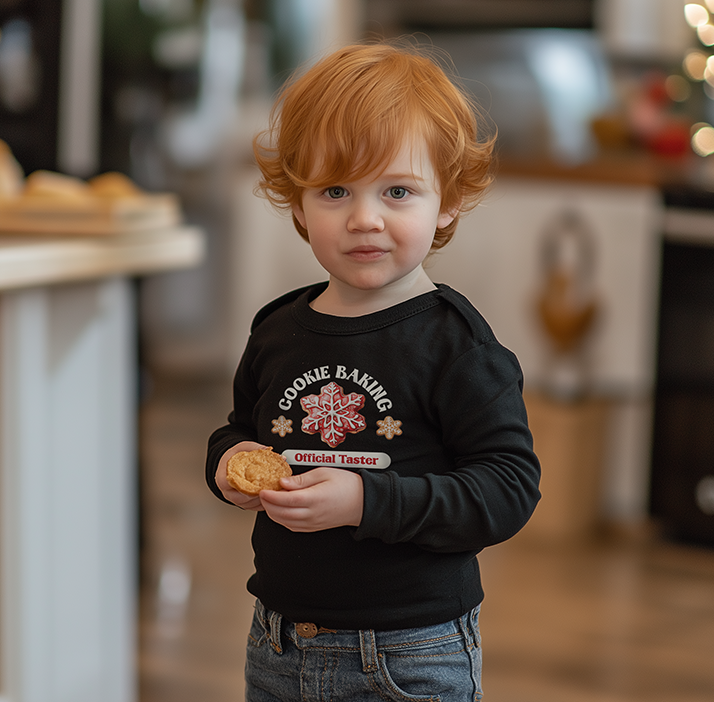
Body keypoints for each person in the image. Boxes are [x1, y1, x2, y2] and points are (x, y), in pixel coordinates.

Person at [206, 41, 541, 701]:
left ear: (446, 202)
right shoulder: (276, 330)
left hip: (408, 652)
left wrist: (365, 502)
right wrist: (227, 463)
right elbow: (242, 429)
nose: (365, 218)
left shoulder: (455, 344)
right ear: (298, 203)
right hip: (277, 641)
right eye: (335, 190)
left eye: (397, 190)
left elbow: (507, 489)